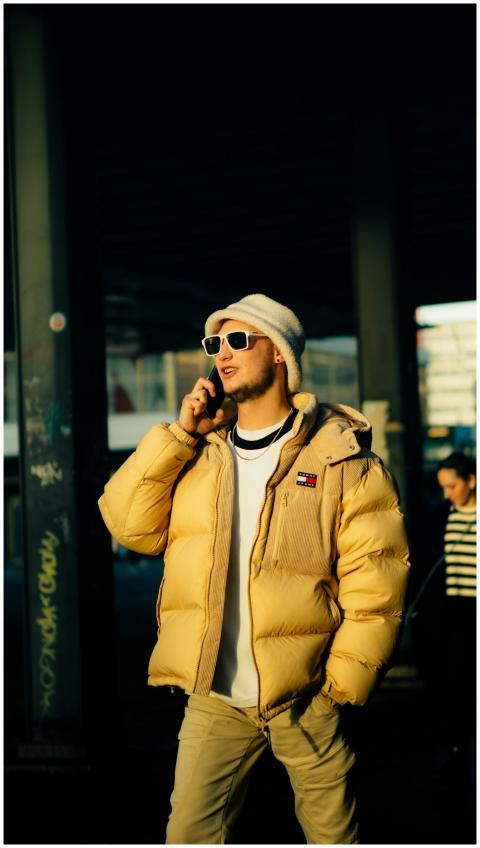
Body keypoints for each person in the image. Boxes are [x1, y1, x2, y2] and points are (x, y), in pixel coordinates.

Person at [98, 293, 410, 844]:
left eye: (239, 340)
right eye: (214, 343)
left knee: (334, 839)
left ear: (281, 355)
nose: (222, 354)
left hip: (305, 697)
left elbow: (376, 581)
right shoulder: (199, 453)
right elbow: (129, 525)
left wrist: (338, 686)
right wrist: (181, 434)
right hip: (214, 699)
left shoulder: (341, 459)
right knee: (187, 838)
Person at [413, 451, 476, 783]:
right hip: (450, 612)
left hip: (475, 608)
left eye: (452, 486)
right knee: (453, 679)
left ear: (471, 481)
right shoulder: (440, 517)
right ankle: (455, 741)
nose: (447, 494)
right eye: (442, 487)